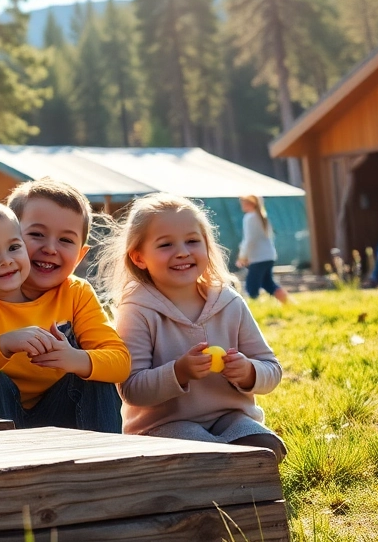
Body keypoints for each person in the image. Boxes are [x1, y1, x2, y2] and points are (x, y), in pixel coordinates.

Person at [98, 193, 285, 460]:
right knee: (201, 454)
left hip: (230, 418)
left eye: (192, 241)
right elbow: (132, 389)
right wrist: (179, 371)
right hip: (163, 427)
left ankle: (234, 475)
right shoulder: (137, 309)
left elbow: (272, 369)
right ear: (139, 257)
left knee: (266, 448)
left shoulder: (229, 302)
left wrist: (247, 372)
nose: (183, 252)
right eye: (165, 245)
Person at [0, 196, 128, 432]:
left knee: (95, 375)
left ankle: (106, 463)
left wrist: (75, 359)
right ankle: (9, 464)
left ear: (80, 256)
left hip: (57, 411)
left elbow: (120, 362)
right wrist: (3, 345)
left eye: (13, 248)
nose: (6, 260)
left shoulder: (75, 292)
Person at [236, 195, 289, 303]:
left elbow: (249, 240)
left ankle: (252, 309)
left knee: (251, 287)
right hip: (268, 255)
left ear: (250, 204)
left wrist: (242, 256)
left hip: (258, 258)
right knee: (268, 283)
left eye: (243, 203)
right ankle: (288, 303)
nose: (241, 205)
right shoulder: (263, 217)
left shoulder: (249, 217)